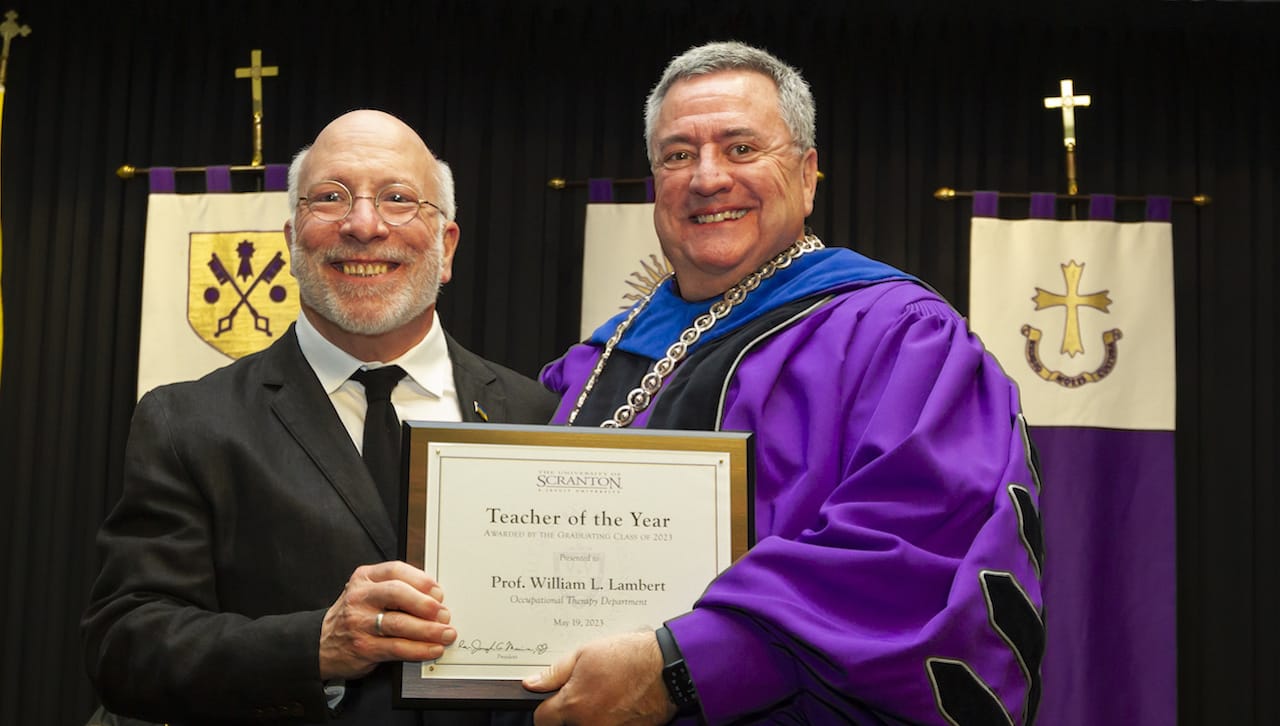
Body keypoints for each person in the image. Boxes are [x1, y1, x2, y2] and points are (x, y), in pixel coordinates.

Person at [526, 42, 1045, 725]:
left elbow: (916, 551)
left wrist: (685, 667)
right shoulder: (593, 364)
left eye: (741, 148)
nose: (707, 178)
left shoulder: (900, 337)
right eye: (678, 155)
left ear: (806, 176)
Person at [82, 110, 556, 725]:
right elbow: (125, 648)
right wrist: (315, 646)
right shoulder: (188, 422)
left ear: (446, 247)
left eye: (398, 199)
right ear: (291, 239)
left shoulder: (536, 416)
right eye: (331, 197)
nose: (362, 224)